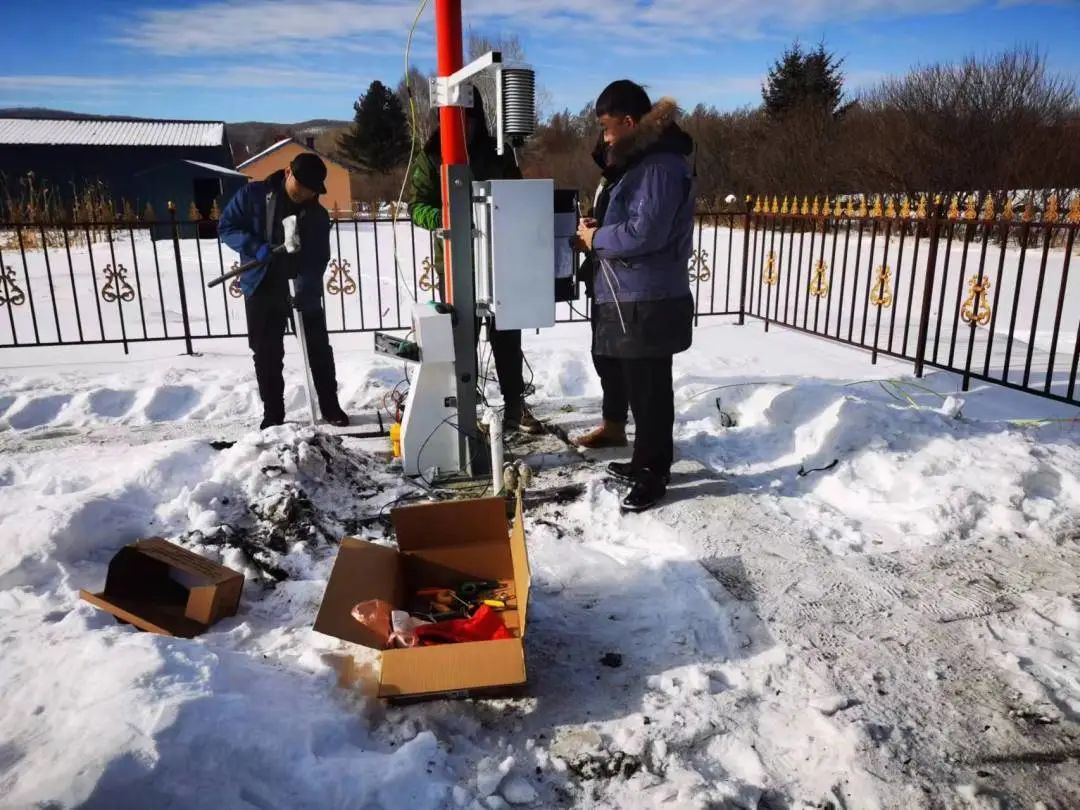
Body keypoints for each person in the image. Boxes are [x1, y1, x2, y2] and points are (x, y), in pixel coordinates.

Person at [575, 80, 696, 512]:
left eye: (607, 129)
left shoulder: (660, 165)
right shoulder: (640, 162)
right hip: (629, 293)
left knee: (651, 391)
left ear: (628, 122)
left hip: (650, 294)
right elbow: (632, 220)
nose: (604, 138)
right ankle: (643, 459)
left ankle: (654, 474)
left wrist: (597, 238)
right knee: (638, 385)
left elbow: (647, 231)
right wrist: (598, 228)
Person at [408, 89, 541, 434]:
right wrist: (442, 217)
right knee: (460, 341)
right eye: (452, 118)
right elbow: (416, 207)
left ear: (477, 119)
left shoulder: (498, 153)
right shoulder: (430, 157)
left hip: (499, 260)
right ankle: (463, 410)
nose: (460, 126)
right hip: (454, 266)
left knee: (508, 339)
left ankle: (515, 406)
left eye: (467, 118)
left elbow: (518, 195)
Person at [219, 152, 350, 430]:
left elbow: (318, 257)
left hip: (303, 286)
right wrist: (255, 247)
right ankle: (273, 414)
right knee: (266, 352)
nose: (304, 194)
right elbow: (226, 227)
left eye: (311, 191)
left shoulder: (316, 214)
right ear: (288, 172)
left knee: (318, 348)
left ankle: (330, 406)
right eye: (301, 187)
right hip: (262, 283)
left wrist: (305, 288)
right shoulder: (253, 195)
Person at [574, 131, 630, 451]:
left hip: (621, 282)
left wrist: (598, 235)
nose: (608, 143)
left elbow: (634, 232)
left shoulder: (633, 177)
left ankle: (619, 426)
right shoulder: (608, 178)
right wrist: (593, 228)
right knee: (603, 355)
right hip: (602, 276)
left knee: (618, 358)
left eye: (613, 136)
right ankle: (613, 424)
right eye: (605, 138)